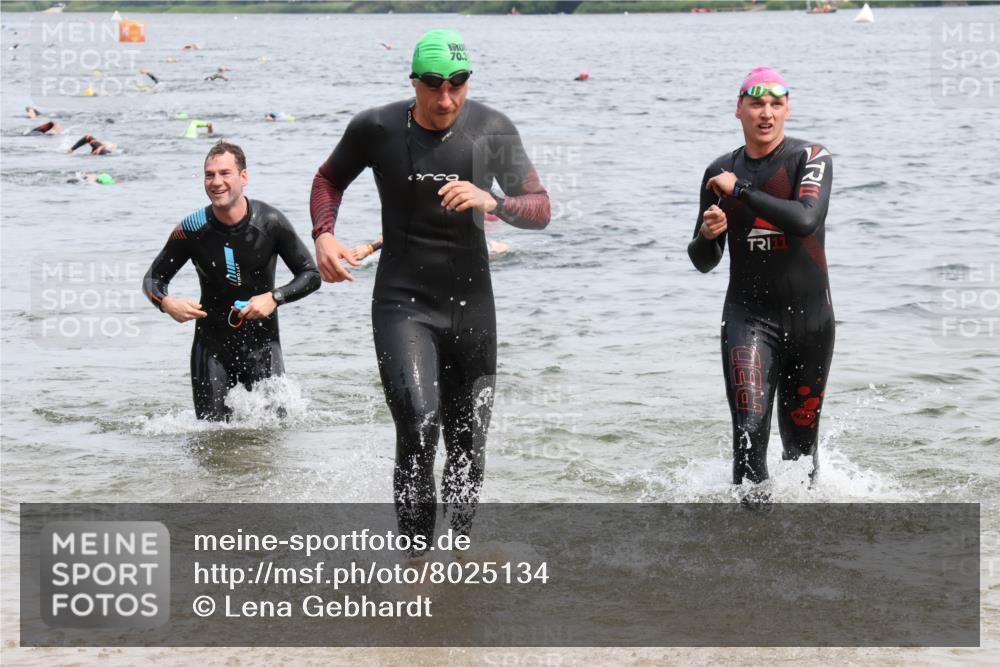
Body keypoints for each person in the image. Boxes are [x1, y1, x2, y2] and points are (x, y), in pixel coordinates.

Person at [310, 29, 550, 551]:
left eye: (458, 84)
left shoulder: (492, 130)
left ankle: (457, 557)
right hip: (403, 302)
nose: (447, 99)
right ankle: (416, 568)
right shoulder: (375, 128)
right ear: (413, 81)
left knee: (468, 447)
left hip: (472, 307)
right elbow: (328, 180)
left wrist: (494, 202)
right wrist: (324, 236)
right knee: (419, 428)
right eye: (434, 85)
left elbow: (540, 207)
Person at [687, 67, 834, 497]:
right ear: (739, 110)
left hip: (811, 323)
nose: (765, 114)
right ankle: (749, 551)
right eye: (756, 104)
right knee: (748, 441)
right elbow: (702, 261)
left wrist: (742, 192)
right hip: (748, 320)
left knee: (800, 452)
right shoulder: (719, 172)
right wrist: (708, 235)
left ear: (788, 109)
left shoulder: (811, 159)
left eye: (775, 105)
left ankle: (801, 548)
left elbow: (806, 220)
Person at [143, 141, 320, 421]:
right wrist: (167, 303)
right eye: (209, 175)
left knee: (271, 439)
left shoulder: (270, 222)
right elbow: (153, 278)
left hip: (264, 348)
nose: (216, 182)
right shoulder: (191, 228)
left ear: (244, 177)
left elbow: (311, 275)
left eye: (225, 173)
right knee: (211, 441)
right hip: (211, 350)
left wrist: (274, 297)